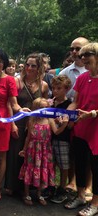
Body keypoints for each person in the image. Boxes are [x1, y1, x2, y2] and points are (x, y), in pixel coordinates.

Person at [0, 49, 30, 202]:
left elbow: (13, 103)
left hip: (2, 120)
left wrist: (20, 110)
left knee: (1, 155)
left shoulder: (10, 80)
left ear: (4, 63)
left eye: (0, 61)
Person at [4, 53, 49, 196]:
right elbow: (9, 104)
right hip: (19, 122)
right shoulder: (17, 81)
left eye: (33, 65)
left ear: (39, 67)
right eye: (27, 64)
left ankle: (29, 186)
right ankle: (11, 185)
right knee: (14, 153)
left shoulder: (44, 86)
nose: (29, 68)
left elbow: (44, 107)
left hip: (35, 126)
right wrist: (12, 124)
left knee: (31, 155)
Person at [64, 42, 98, 216]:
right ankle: (80, 196)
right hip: (80, 127)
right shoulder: (82, 78)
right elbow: (76, 102)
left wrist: (92, 114)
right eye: (82, 55)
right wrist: (66, 114)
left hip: (96, 130)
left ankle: (95, 203)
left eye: (88, 55)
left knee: (96, 166)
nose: (83, 58)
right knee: (80, 162)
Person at [18, 97, 69, 206]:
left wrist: (64, 124)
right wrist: (24, 149)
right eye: (42, 108)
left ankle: (39, 193)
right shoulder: (31, 120)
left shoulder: (50, 120)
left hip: (45, 150)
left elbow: (56, 132)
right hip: (33, 149)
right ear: (36, 108)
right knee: (29, 169)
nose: (45, 110)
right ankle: (26, 193)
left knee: (42, 171)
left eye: (47, 107)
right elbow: (28, 137)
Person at [59, 37, 91, 196]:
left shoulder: (91, 72)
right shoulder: (66, 72)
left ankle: (89, 187)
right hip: (72, 118)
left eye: (78, 49)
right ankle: (73, 183)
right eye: (72, 49)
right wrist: (67, 117)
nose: (74, 52)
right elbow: (70, 99)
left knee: (90, 156)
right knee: (73, 153)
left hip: (91, 119)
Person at [49, 75, 72, 204]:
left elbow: (70, 125)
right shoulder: (50, 103)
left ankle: (62, 188)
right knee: (51, 163)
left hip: (63, 139)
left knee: (64, 165)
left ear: (66, 89)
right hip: (50, 138)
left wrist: (63, 122)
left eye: (59, 88)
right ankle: (51, 186)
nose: (55, 91)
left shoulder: (69, 105)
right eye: (53, 88)